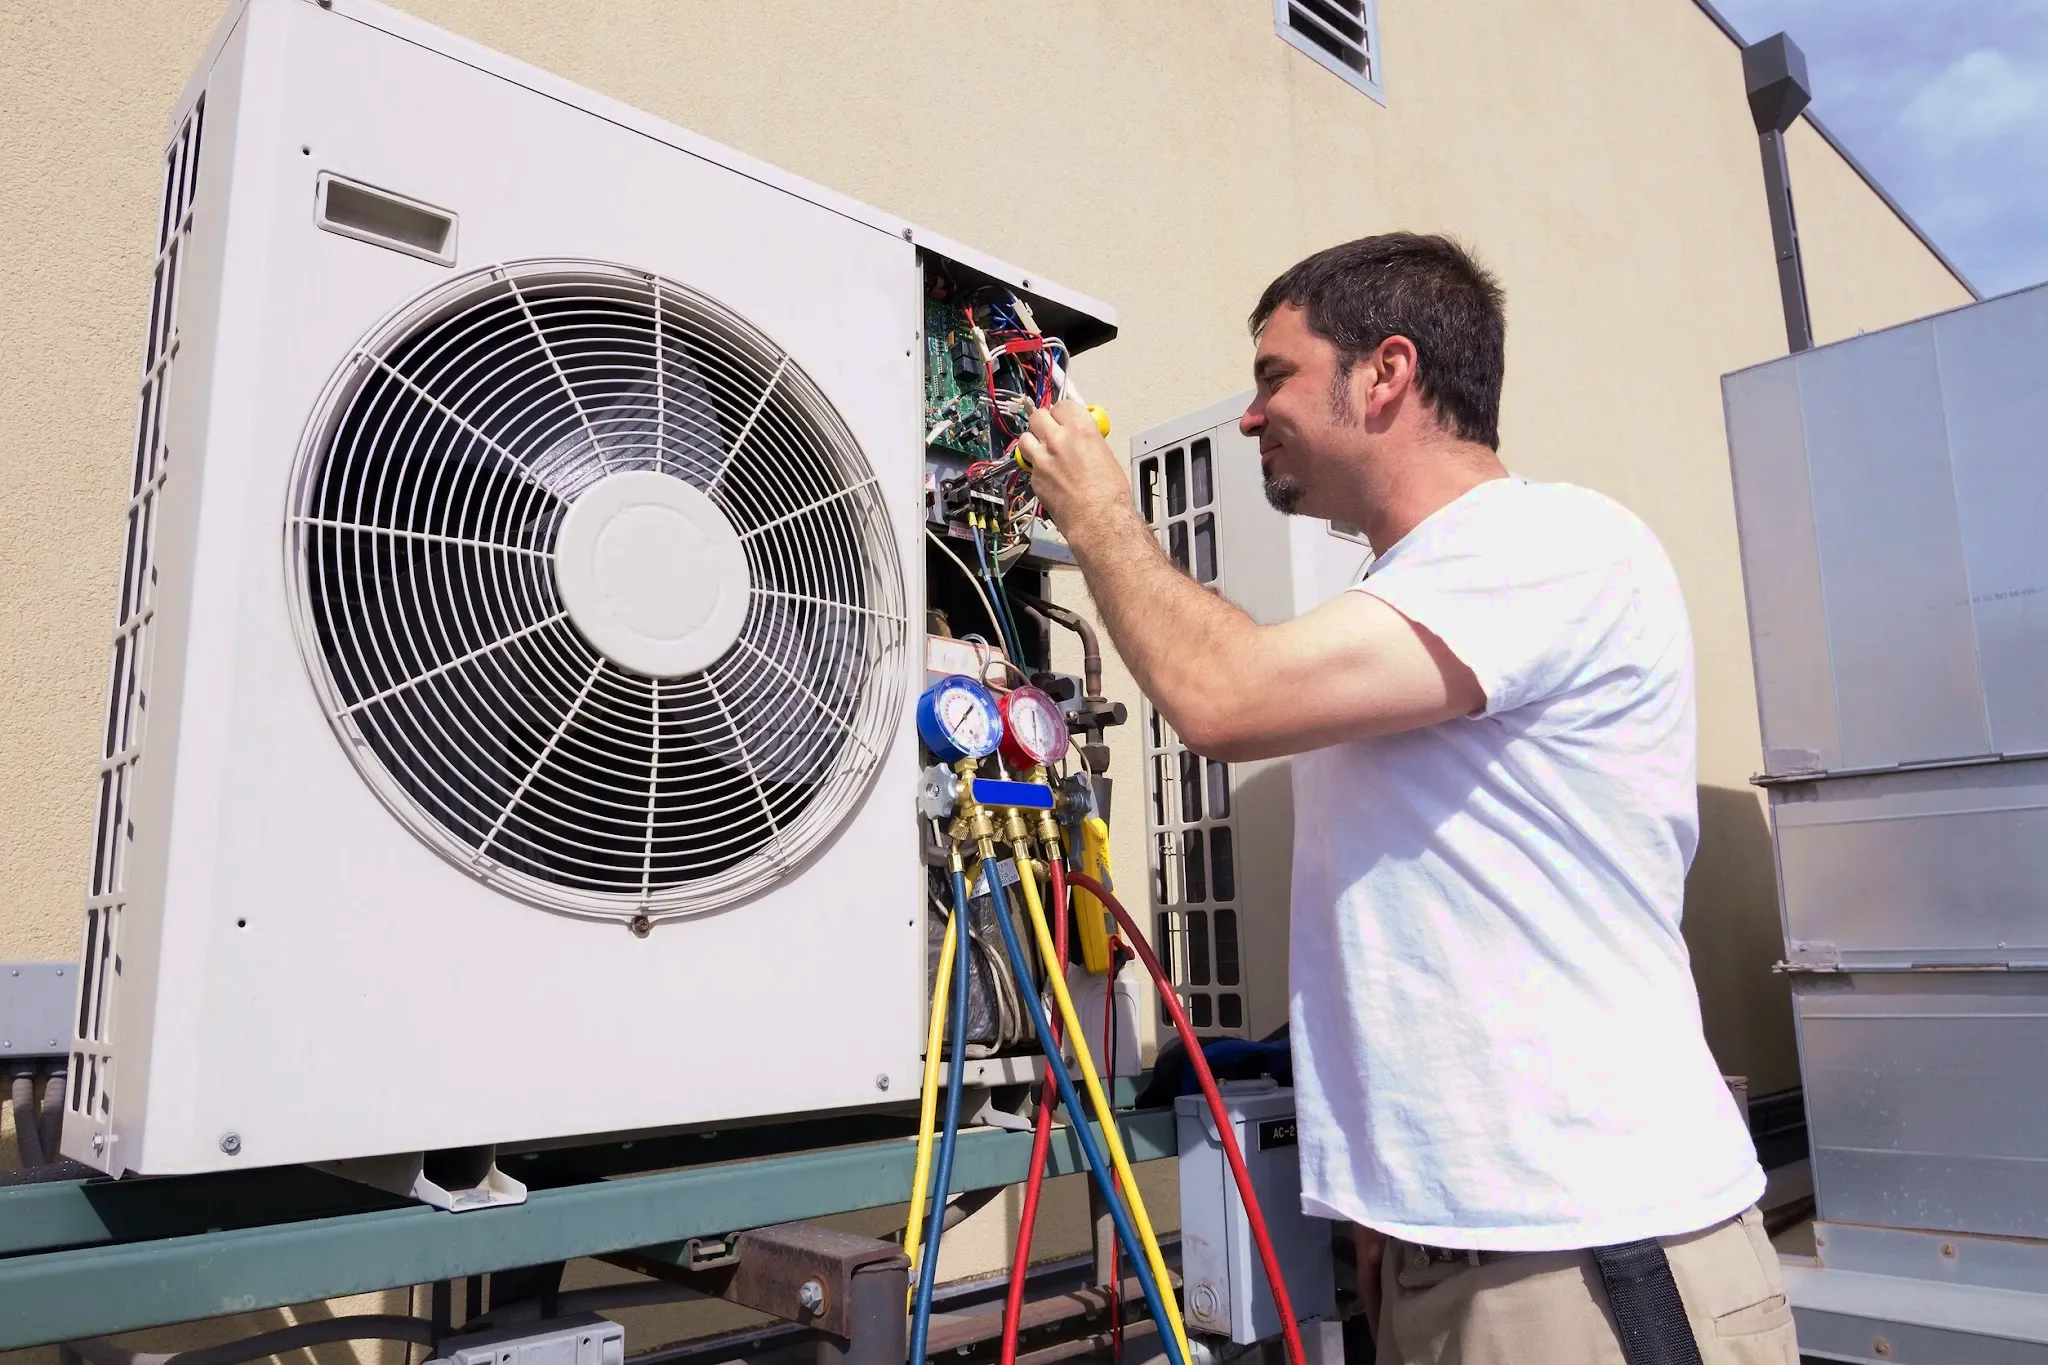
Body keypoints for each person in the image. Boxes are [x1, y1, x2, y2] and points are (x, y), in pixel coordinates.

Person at [1017, 234, 1795, 1364]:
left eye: (1274, 376)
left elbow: (1222, 696)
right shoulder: (1414, 595)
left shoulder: (1544, 543)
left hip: (1588, 1258)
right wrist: (1390, 1210)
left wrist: (1097, 514)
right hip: (1454, 1254)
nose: (1250, 415)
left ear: (1386, 371)